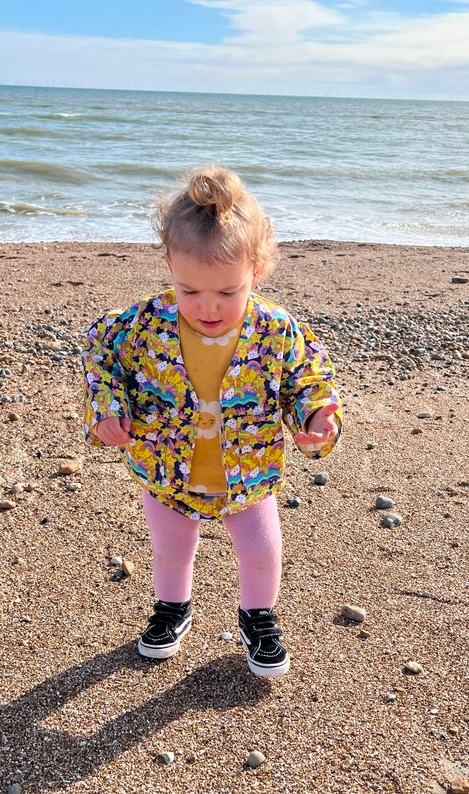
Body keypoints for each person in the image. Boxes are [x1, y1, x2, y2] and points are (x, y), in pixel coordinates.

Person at [81, 165, 342, 677]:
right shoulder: (139, 326)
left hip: (247, 470)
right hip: (166, 467)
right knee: (171, 550)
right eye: (189, 291)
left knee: (262, 549)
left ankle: (258, 617)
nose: (207, 307)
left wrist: (314, 415)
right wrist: (109, 412)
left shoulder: (275, 329)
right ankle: (172, 610)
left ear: (258, 270)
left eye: (227, 292)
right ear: (169, 264)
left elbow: (305, 377)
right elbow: (102, 360)